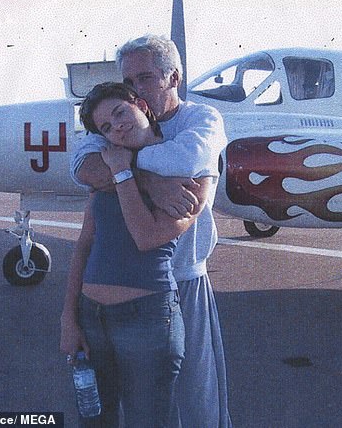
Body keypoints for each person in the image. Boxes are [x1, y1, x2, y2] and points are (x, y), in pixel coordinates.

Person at [70, 35, 231, 428]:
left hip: (184, 278)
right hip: (127, 286)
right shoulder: (114, 121)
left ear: (173, 77)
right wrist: (155, 182)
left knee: (196, 397)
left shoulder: (200, 120)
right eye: (128, 79)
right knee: (140, 404)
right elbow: (82, 168)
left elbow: (190, 157)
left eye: (144, 79)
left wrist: (122, 165)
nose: (134, 88)